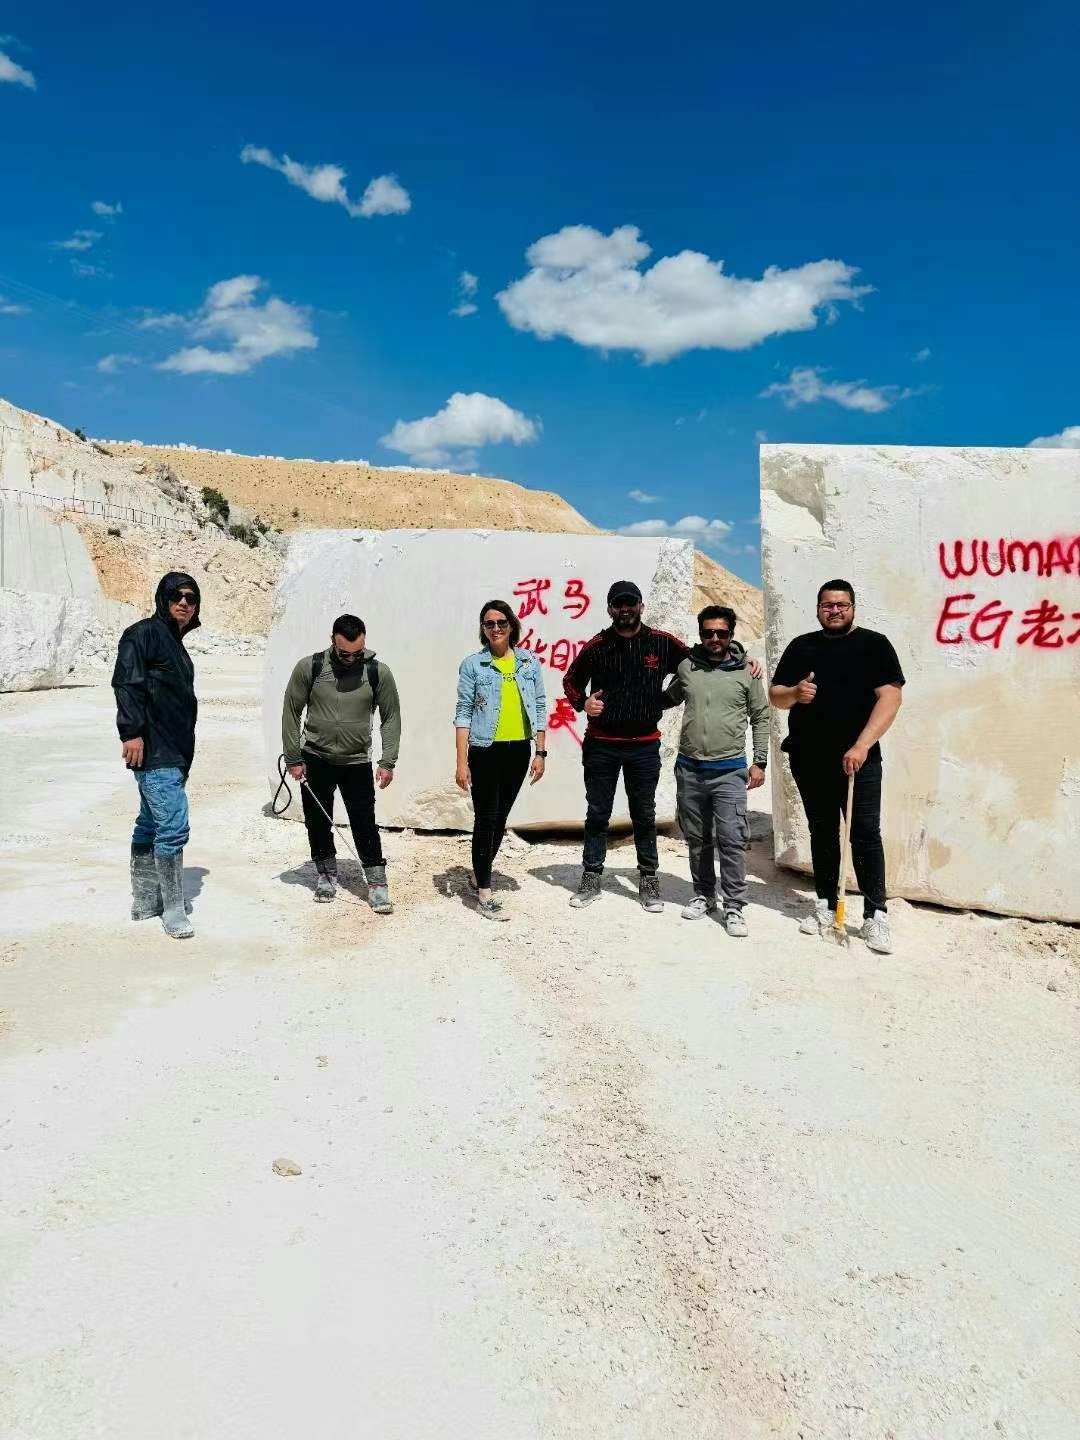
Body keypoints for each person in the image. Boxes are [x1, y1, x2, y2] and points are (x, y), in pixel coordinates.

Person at [769, 579, 904, 954]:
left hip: (858, 761)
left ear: (853, 608)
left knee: (864, 835)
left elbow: (891, 697)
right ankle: (827, 906)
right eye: (827, 605)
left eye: (841, 605)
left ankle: (876, 914)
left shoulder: (874, 645)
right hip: (809, 757)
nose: (834, 611)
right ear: (818, 609)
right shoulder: (802, 646)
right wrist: (796, 693)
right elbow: (776, 695)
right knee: (823, 832)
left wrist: (862, 745)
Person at [562, 581, 692, 912]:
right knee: (597, 813)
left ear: (640, 606)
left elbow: (696, 663)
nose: (625, 609)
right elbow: (571, 680)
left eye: (630, 603)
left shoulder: (661, 643)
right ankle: (591, 877)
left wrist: (669, 697)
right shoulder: (598, 645)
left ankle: (648, 880)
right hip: (602, 745)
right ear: (609, 609)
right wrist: (583, 702)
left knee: (644, 814)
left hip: (644, 747)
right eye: (618, 604)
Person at [282, 614, 401, 913]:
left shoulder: (377, 672)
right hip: (316, 758)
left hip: (356, 761)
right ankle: (326, 873)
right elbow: (291, 711)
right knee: (317, 821)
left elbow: (391, 717)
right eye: (344, 654)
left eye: (357, 653)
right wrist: (293, 756)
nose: (351, 659)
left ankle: (377, 883)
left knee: (364, 822)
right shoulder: (310, 667)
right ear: (332, 641)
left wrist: (388, 761)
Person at [662, 605, 769, 936]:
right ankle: (704, 895)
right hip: (690, 769)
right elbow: (667, 699)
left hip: (730, 770)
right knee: (697, 838)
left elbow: (761, 716)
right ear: (701, 634)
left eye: (721, 633)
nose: (714, 638)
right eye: (708, 632)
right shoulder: (687, 667)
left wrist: (760, 761)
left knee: (732, 839)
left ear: (731, 635)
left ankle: (734, 906)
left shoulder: (747, 672)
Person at [112, 571, 202, 940]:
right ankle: (173, 909)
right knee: (174, 827)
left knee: (150, 822)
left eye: (191, 598)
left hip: (174, 749)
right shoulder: (143, 634)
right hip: (155, 748)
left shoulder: (174, 642)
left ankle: (145, 900)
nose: (184, 603)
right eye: (177, 596)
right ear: (162, 599)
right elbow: (126, 683)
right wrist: (131, 732)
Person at [455, 599, 548, 921]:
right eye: (489, 623)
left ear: (512, 625)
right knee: (486, 818)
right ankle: (484, 892)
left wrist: (540, 752)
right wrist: (461, 762)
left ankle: (479, 873)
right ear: (483, 629)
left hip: (518, 750)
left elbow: (539, 706)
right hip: (485, 750)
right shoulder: (473, 665)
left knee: (500, 818)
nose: (495, 628)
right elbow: (463, 713)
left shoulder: (528, 662)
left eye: (501, 622)